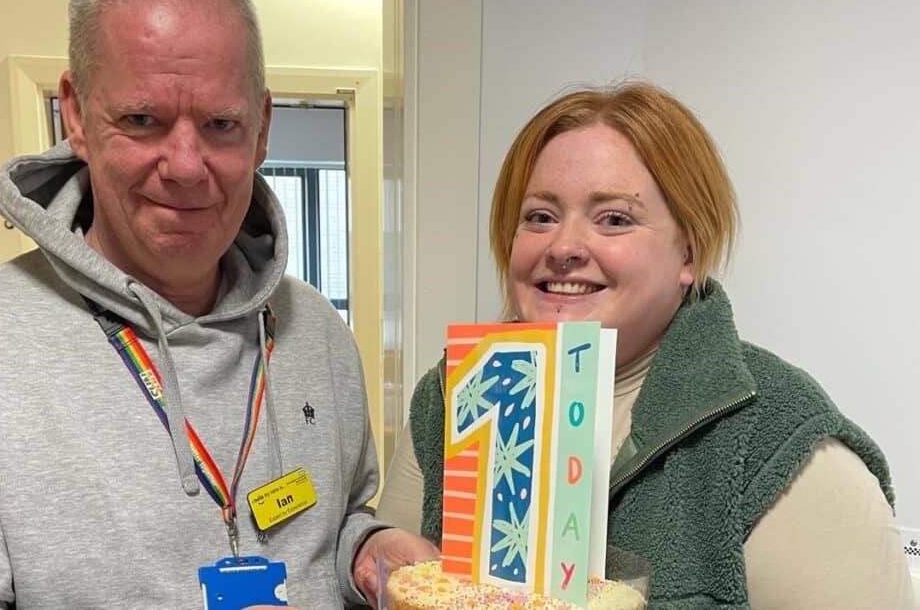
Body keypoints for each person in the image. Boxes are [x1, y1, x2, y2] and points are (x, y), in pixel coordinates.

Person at [0, 0, 436, 609]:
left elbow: (335, 519)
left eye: (220, 124)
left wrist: (367, 548)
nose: (185, 165)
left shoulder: (316, 331)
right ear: (76, 114)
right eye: (143, 120)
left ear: (262, 128)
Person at [377, 81, 913, 608]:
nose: (563, 246)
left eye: (614, 219)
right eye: (540, 216)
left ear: (690, 254)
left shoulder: (778, 442)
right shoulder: (449, 400)